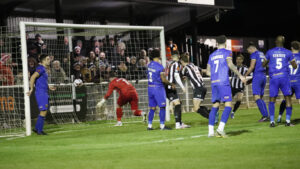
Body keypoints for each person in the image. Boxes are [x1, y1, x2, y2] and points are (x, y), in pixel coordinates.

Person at [206, 35, 246, 137]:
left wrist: (215, 76)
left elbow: (207, 72)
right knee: (228, 105)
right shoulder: (227, 52)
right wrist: (240, 75)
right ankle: (220, 129)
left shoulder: (212, 55)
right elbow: (230, 65)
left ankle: (210, 132)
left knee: (215, 105)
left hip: (214, 82)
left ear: (216, 43)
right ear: (225, 43)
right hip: (223, 81)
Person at [263, 36, 297, 127]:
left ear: (275, 42)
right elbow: (295, 66)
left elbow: (263, 64)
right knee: (288, 99)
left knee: (272, 99)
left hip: (274, 78)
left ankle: (272, 122)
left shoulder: (270, 52)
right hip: (284, 78)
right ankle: (288, 121)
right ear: (283, 42)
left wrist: (270, 65)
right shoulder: (288, 52)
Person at [27, 54, 56, 135]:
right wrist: (31, 88)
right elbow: (32, 77)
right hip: (41, 93)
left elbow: (41, 81)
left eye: (49, 59)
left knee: (45, 110)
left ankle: (36, 128)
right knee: (43, 111)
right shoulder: (41, 69)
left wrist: (48, 87)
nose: (49, 60)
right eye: (47, 59)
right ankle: (39, 131)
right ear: (42, 61)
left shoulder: (44, 69)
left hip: (44, 92)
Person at [147, 49, 175, 130]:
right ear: (158, 55)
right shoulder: (159, 66)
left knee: (152, 107)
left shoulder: (149, 65)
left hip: (150, 87)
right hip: (158, 88)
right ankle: (162, 126)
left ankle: (149, 126)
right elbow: (163, 79)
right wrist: (170, 83)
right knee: (162, 107)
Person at [180, 53, 210, 120]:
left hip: (198, 88)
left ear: (181, 61)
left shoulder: (185, 69)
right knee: (196, 107)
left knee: (196, 108)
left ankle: (211, 117)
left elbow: (180, 77)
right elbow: (203, 70)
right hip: (202, 87)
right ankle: (210, 112)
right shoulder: (193, 65)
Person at [244, 43, 269, 122]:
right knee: (260, 98)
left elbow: (252, 67)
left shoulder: (254, 54)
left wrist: (245, 75)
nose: (249, 53)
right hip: (263, 76)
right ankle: (266, 115)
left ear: (251, 49)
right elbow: (266, 65)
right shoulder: (262, 54)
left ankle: (265, 116)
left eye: (248, 51)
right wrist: (252, 79)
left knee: (256, 97)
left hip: (258, 76)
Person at [277, 41, 300, 123]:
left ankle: (279, 116)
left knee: (286, 100)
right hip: (298, 81)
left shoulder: (287, 56)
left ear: (291, 48)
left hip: (288, 81)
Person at [165, 51, 189, 129]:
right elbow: (176, 76)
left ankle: (179, 123)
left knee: (178, 103)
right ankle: (178, 124)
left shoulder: (169, 63)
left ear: (171, 56)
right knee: (177, 104)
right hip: (170, 87)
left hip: (168, 86)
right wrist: (182, 86)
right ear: (178, 56)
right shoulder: (176, 64)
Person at [230, 54, 248, 119]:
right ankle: (228, 110)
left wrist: (247, 81)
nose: (238, 60)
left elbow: (250, 75)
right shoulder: (232, 67)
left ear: (242, 60)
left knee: (239, 99)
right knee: (227, 100)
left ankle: (233, 112)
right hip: (232, 86)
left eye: (240, 59)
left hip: (240, 86)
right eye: (237, 59)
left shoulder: (245, 68)